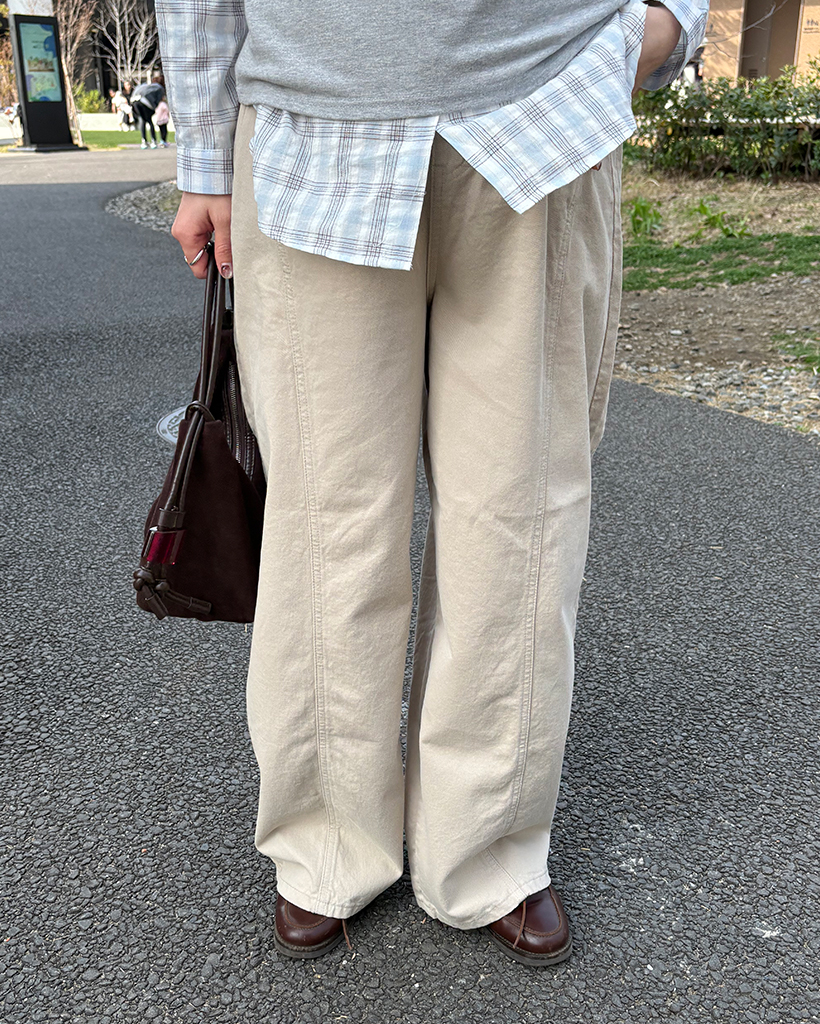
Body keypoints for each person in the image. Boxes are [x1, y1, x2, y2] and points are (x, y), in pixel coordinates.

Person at [156, 0, 708, 965]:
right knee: (327, 521)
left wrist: (666, 22)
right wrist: (204, 160)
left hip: (545, 107)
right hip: (312, 129)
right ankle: (328, 839)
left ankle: (487, 844)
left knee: (519, 517)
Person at [130, 75, 165, 149]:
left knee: (143, 120)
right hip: (146, 102)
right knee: (149, 121)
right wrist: (154, 108)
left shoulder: (146, 86)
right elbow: (158, 100)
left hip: (135, 101)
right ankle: (153, 140)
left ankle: (144, 141)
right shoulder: (159, 88)